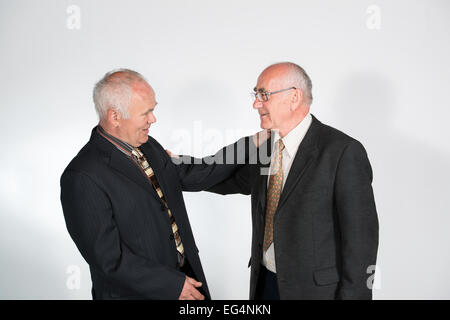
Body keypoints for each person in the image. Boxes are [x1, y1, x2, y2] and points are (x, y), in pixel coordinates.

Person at [60, 69, 262, 300]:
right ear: (115, 116)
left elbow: (195, 174)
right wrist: (172, 285)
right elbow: (109, 259)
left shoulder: (148, 146)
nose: (153, 119)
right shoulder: (82, 176)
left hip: (186, 279)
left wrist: (253, 144)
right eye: (146, 113)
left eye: (153, 110)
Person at [209, 62, 379, 300]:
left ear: (294, 97)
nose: (256, 104)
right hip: (265, 284)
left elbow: (361, 243)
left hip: (316, 293)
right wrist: (170, 169)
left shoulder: (342, 152)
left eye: (263, 95)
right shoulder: (266, 149)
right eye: (256, 95)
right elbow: (226, 179)